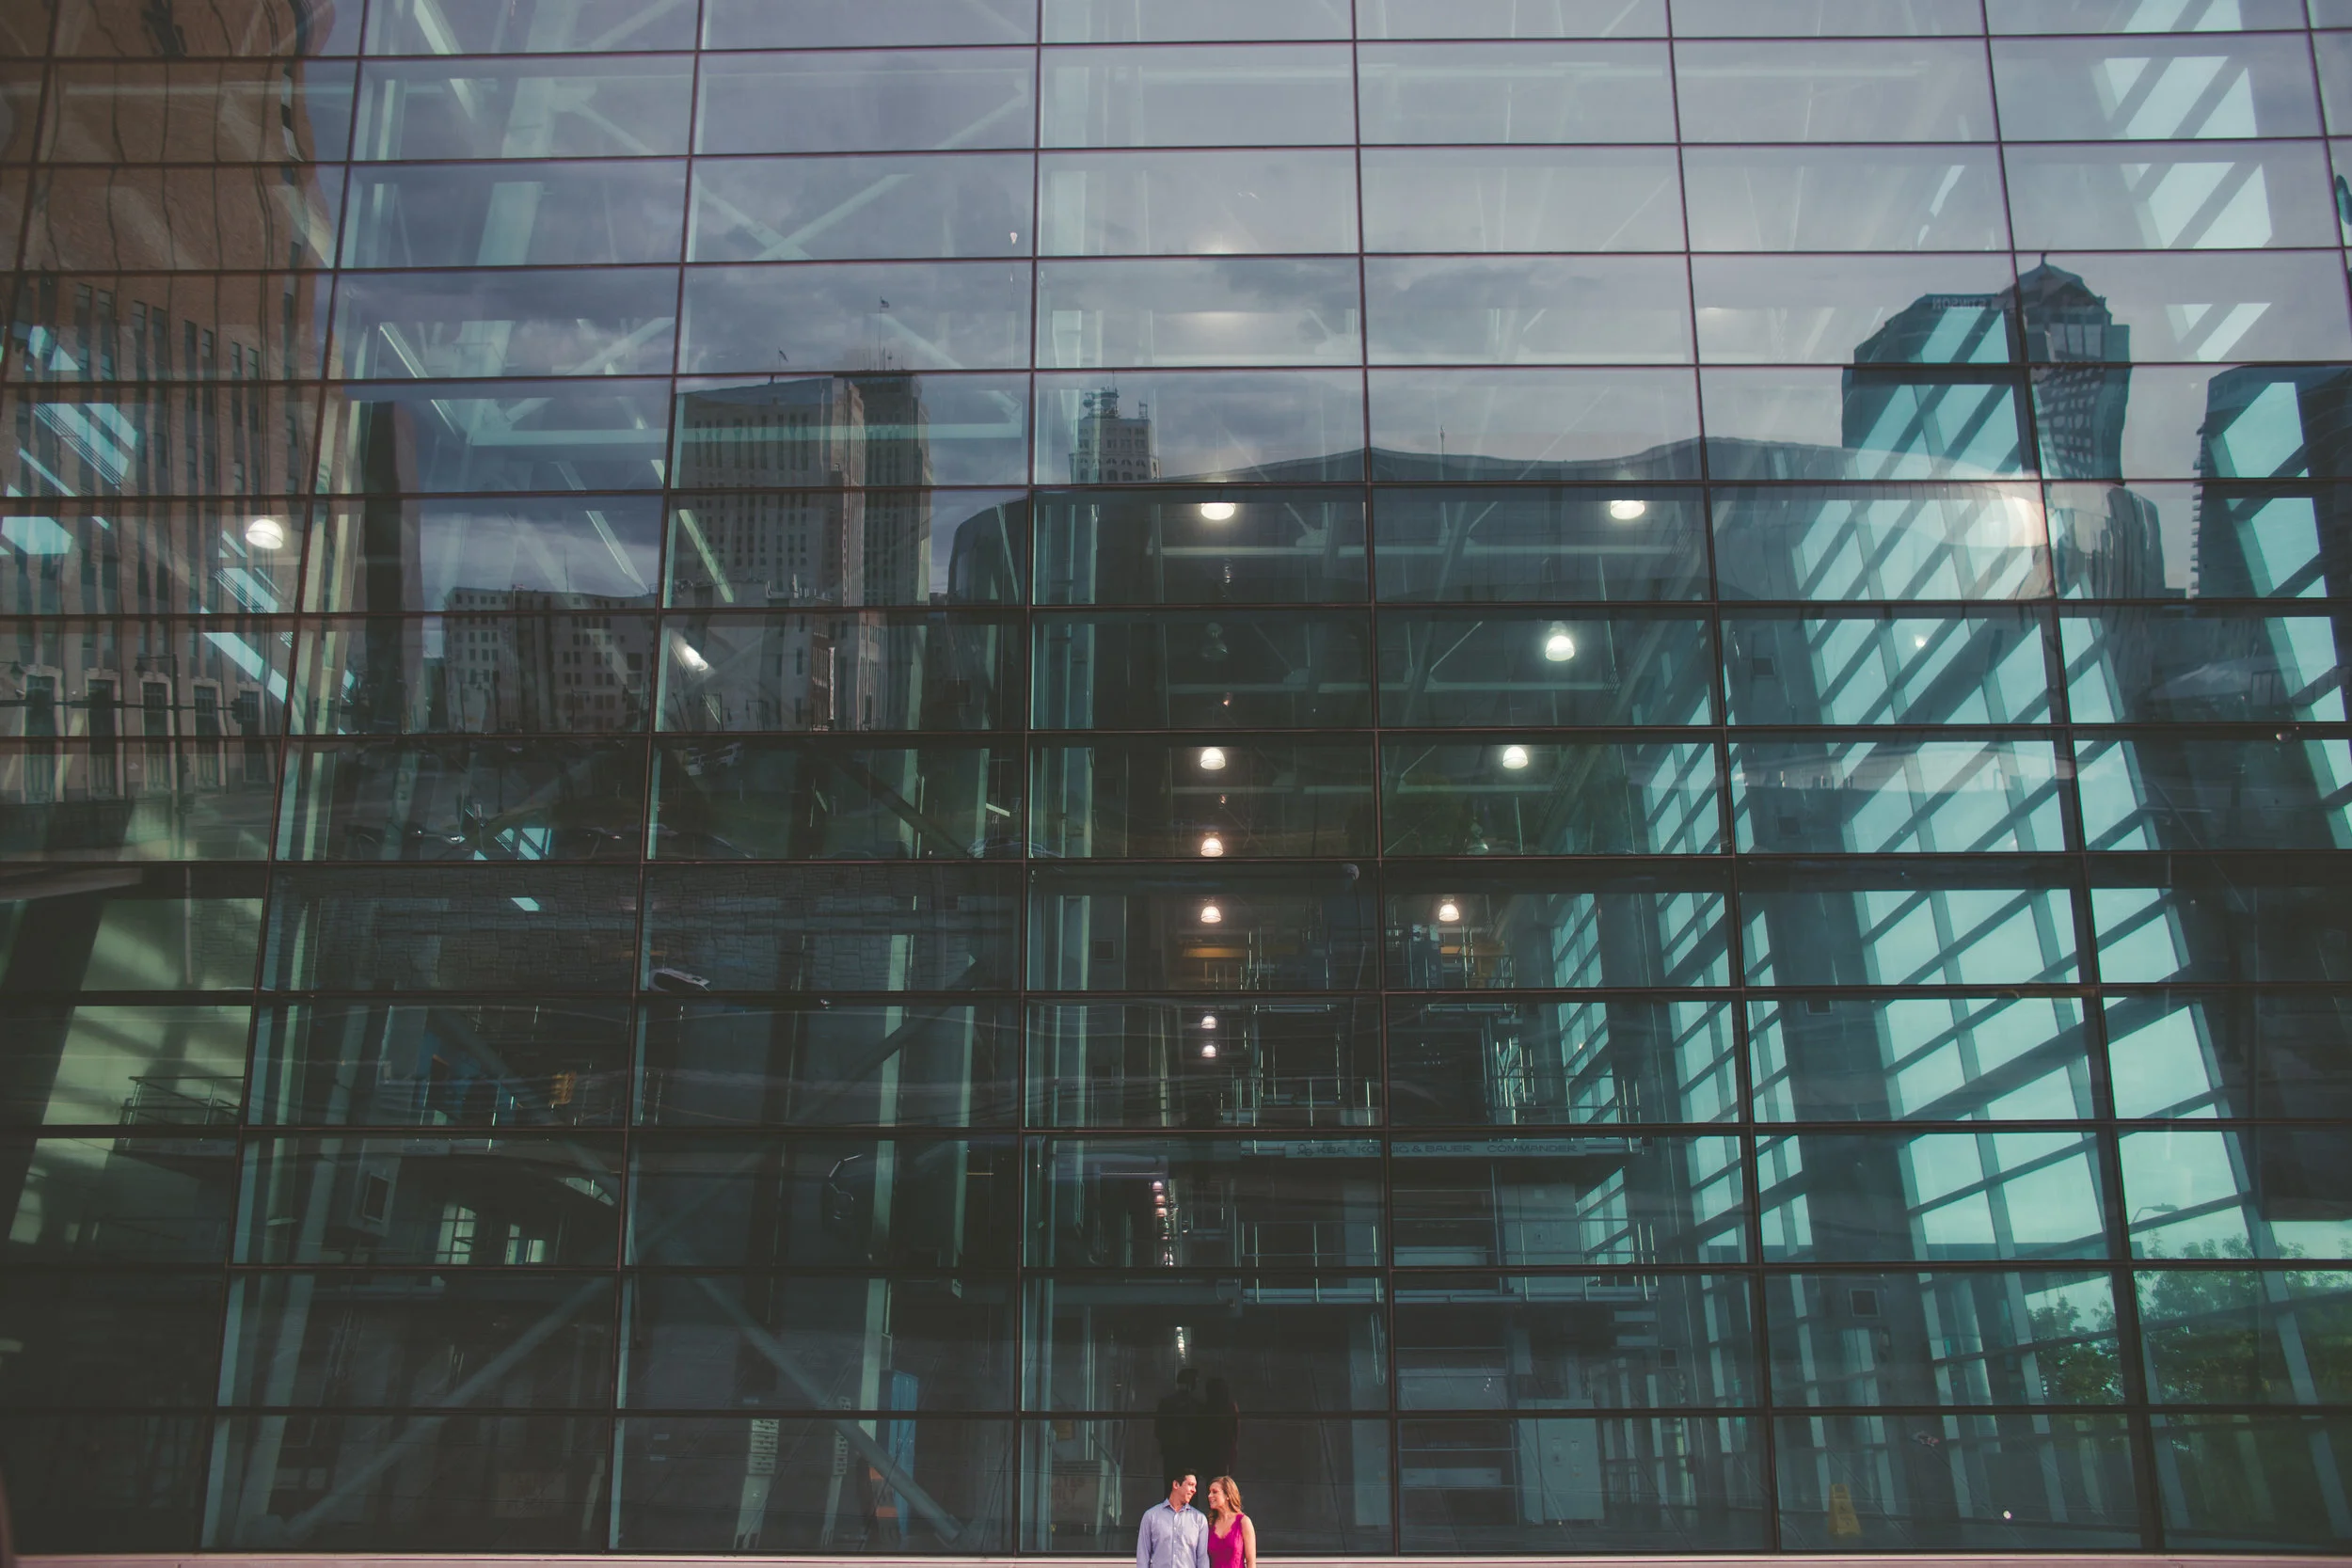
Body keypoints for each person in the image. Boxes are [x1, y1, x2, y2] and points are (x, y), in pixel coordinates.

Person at [1136, 1471, 1209, 1568]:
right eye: (1191, 1485)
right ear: (1176, 1485)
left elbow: (1202, 1559)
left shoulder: (1199, 1519)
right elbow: (1143, 1556)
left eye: (1195, 1486)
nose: (1194, 1490)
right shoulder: (1151, 1516)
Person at [1153, 1367, 1207, 1486]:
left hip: (1172, 1454)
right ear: (1191, 1382)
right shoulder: (1197, 1405)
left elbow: (1159, 1430)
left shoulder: (1166, 1403)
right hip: (1190, 1455)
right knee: (1189, 1490)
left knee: (1171, 1488)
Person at [1205, 1476, 1255, 1568]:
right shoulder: (1209, 1524)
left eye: (1215, 1492)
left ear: (1227, 1495)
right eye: (1209, 1492)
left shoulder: (1244, 1522)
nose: (1209, 1496)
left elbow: (1251, 1563)